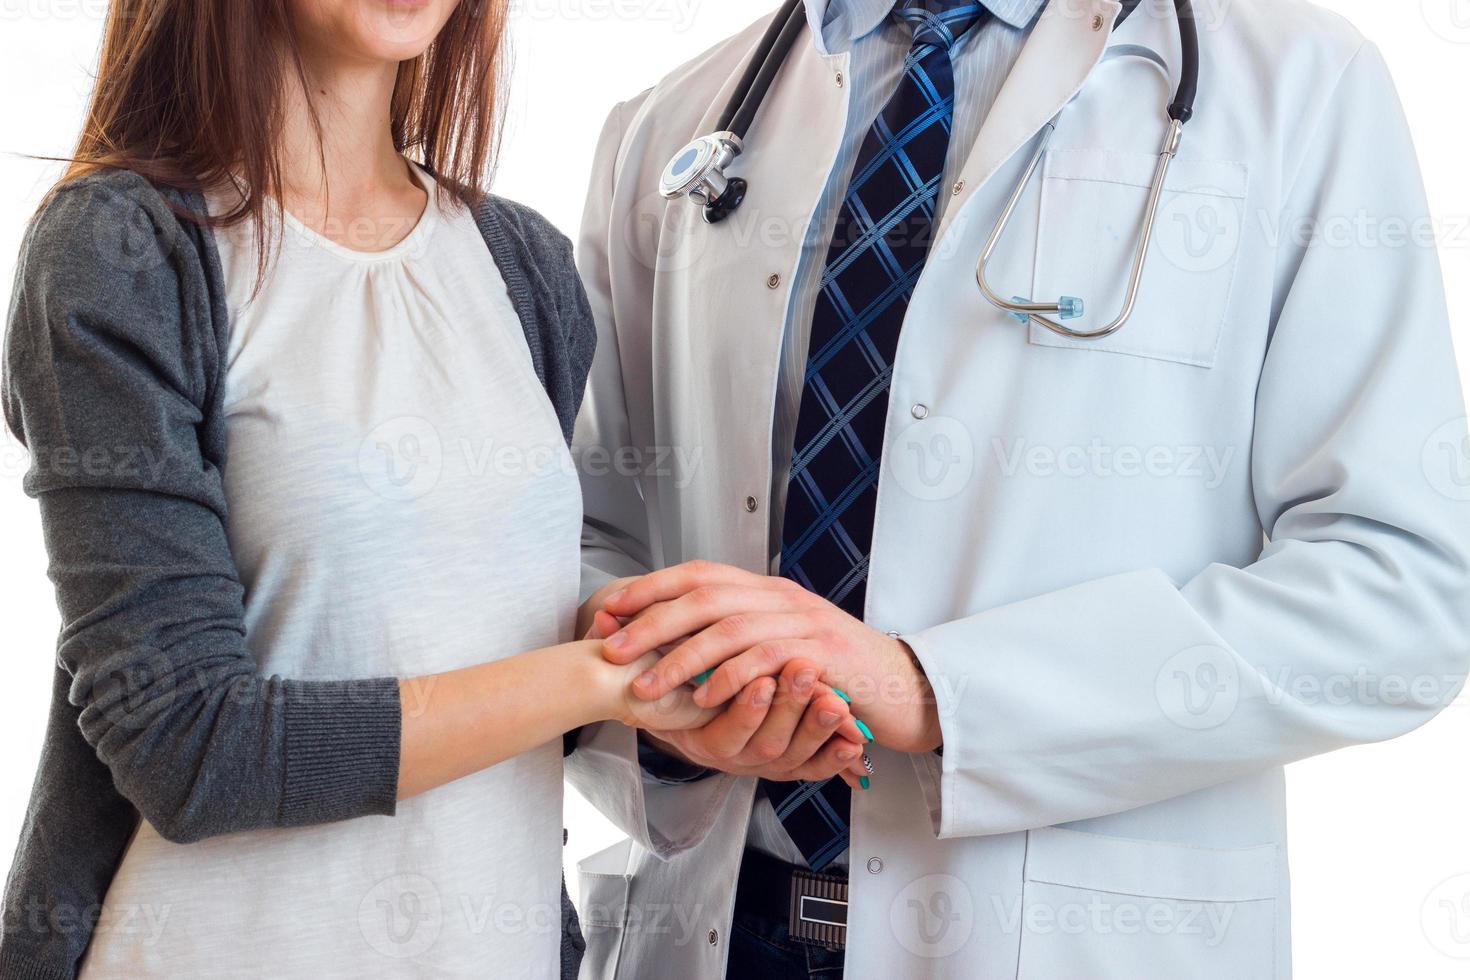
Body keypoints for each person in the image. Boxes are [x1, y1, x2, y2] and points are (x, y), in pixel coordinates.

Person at [567, 0, 1470, 977]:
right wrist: (668, 723)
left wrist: (937, 690)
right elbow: (580, 542)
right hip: (715, 927)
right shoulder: (672, 127)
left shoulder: (1299, 86)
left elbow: (1401, 583)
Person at [0, 1, 870, 977]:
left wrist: (666, 711)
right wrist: (609, 676)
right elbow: (189, 745)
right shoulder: (119, 251)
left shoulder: (519, 264)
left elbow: (473, 639)